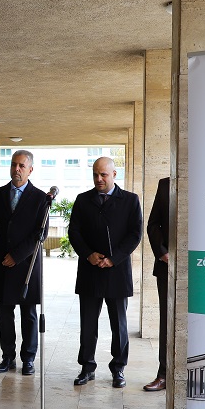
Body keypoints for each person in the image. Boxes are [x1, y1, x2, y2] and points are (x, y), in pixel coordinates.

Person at [67, 157, 142, 388]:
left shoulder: (130, 200)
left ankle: (118, 368)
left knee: (119, 325)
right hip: (90, 270)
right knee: (88, 324)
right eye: (95, 175)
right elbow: (74, 232)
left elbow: (135, 234)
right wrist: (88, 254)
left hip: (117, 271)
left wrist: (113, 258)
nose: (99, 179)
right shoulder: (82, 200)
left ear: (114, 174)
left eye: (103, 175)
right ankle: (87, 367)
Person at [0, 149, 49, 375]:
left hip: (26, 265)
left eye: (21, 166)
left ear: (30, 170)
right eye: (14, 164)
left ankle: (28, 359)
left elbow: (41, 233)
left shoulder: (40, 198)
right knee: (5, 314)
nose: (16, 169)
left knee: (29, 314)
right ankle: (7, 357)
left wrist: (16, 256)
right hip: (1, 265)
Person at [144, 176, 170, 391]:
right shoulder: (165, 184)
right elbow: (153, 224)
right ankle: (163, 374)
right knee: (166, 321)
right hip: (167, 266)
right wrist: (162, 253)